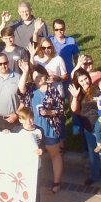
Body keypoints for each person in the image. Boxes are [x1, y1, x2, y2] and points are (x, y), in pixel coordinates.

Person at [19, 60, 65, 194]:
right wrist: (25, 72)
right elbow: (21, 88)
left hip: (49, 128)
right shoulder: (30, 90)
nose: (39, 79)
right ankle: (29, 181)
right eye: (36, 76)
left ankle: (57, 182)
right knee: (31, 155)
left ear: (46, 77)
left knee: (54, 154)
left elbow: (61, 110)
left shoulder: (53, 91)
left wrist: (50, 112)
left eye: (41, 76)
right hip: (32, 128)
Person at [69, 68, 101, 190]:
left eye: (86, 78)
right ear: (77, 82)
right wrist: (75, 97)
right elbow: (74, 110)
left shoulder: (98, 90)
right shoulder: (77, 94)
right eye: (81, 81)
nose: (85, 82)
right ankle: (94, 176)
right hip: (88, 127)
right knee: (93, 154)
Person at [16, 106, 47, 202]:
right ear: (20, 120)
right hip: (22, 166)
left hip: (36, 166)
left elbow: (43, 145)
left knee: (35, 188)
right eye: (25, 119)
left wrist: (42, 151)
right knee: (21, 188)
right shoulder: (16, 131)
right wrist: (6, 133)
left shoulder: (39, 130)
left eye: (31, 118)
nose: (29, 122)